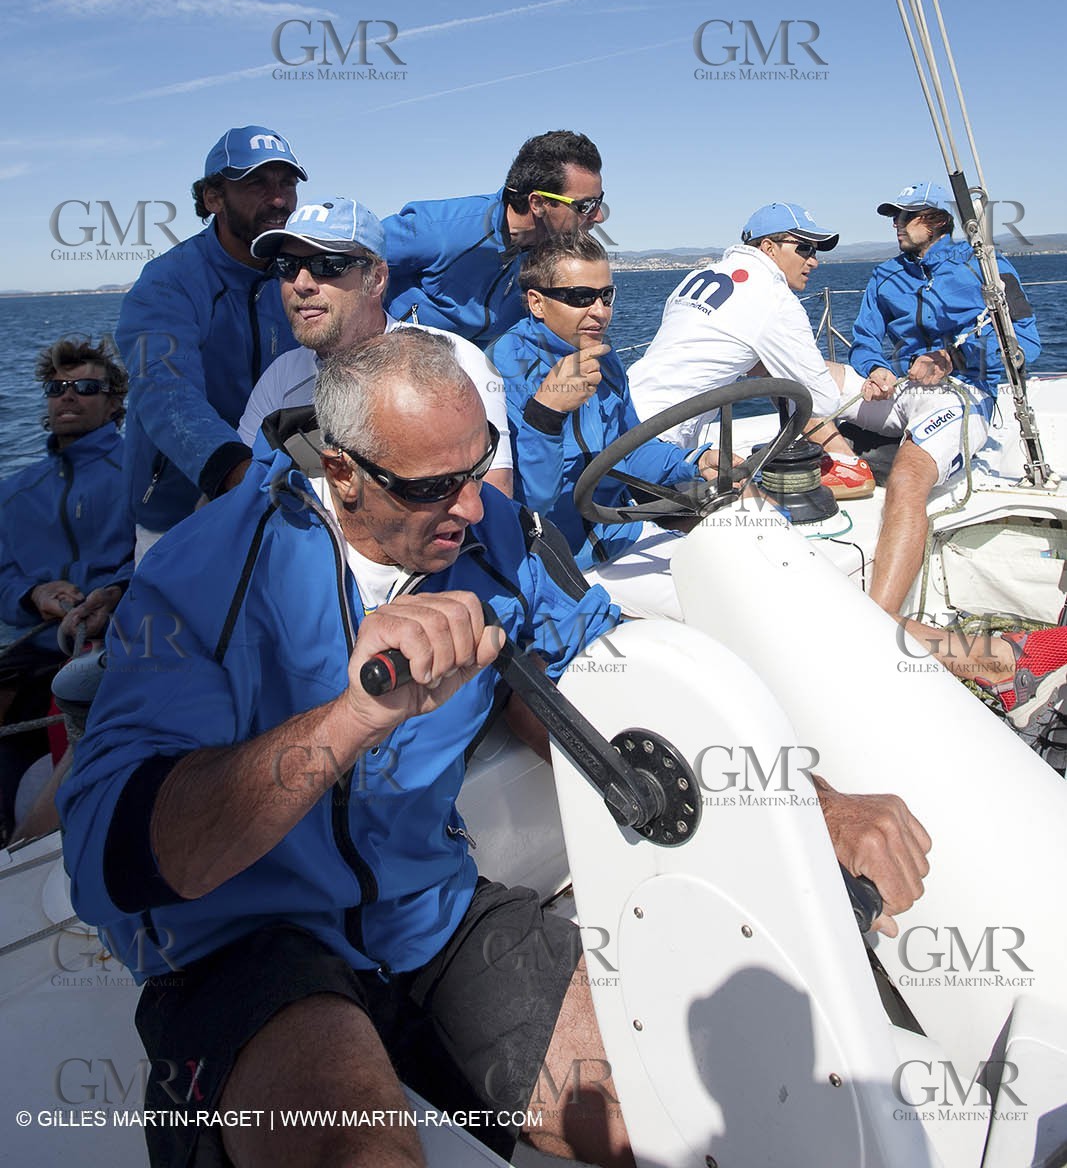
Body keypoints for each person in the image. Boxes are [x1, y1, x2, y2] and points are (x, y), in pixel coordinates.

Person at [60, 331, 931, 1168]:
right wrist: (356, 715)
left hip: (428, 910)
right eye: (437, 486)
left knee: (670, 1115)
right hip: (245, 941)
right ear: (342, 474)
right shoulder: (199, 575)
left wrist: (811, 808)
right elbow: (118, 861)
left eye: (479, 468)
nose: (474, 507)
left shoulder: (494, 534)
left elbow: (615, 681)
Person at [490, 232, 719, 616]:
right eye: (581, 297)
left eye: (605, 296)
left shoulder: (603, 359)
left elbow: (630, 449)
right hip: (557, 568)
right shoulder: (498, 373)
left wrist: (694, 462)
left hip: (620, 534)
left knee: (738, 574)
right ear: (536, 302)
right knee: (719, 607)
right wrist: (546, 415)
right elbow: (524, 507)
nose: (600, 311)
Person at [846, 181, 1041, 616]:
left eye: (906, 217)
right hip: (899, 388)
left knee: (908, 479)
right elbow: (863, 340)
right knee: (808, 381)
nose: (896, 225)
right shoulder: (886, 275)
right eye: (894, 217)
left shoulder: (988, 268)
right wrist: (875, 366)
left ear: (936, 222)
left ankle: (878, 618)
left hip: (962, 394)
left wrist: (953, 357)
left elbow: (1026, 345)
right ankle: (842, 464)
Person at [239, 197, 514, 495]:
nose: (301, 283)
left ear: (378, 279)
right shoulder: (280, 376)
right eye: (287, 266)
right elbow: (245, 491)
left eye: (328, 265)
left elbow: (492, 496)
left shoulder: (459, 361)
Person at [117, 125, 305, 558]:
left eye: (287, 182)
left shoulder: (304, 275)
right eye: (256, 182)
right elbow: (165, 389)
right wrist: (232, 471)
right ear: (213, 198)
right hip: (180, 514)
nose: (278, 198)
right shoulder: (166, 283)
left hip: (287, 502)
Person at [628, 202, 875, 499]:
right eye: (805, 248)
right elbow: (820, 400)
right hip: (661, 446)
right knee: (767, 522)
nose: (814, 261)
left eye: (816, 251)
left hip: (620, 417)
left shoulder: (697, 277)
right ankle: (849, 467)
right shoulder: (774, 297)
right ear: (769, 247)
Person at [0, 337, 133, 840]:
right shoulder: (13, 494)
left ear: (115, 402)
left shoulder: (142, 478)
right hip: (31, 654)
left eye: (85, 386)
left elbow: (161, 559)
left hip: (109, 649)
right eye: (58, 387)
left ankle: (26, 850)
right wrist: (32, 594)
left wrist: (115, 592)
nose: (68, 396)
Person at [383, 129, 606, 348]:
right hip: (398, 358)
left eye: (599, 201)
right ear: (537, 203)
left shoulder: (551, 255)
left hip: (474, 371)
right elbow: (355, 260)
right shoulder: (441, 231)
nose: (599, 216)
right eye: (585, 205)